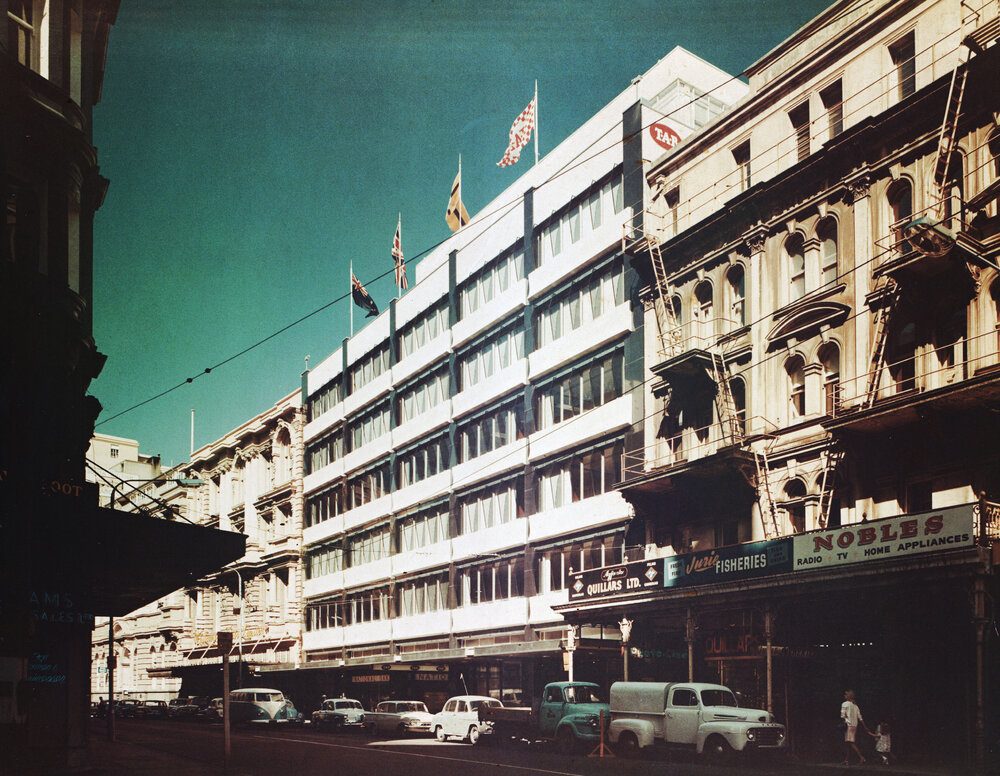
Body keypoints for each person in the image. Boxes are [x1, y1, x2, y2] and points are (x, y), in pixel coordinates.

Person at [840, 689, 870, 765]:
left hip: (848, 725)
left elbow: (842, 715)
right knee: (848, 743)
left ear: (848, 696)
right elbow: (860, 717)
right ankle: (846, 760)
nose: (844, 696)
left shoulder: (845, 704)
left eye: (846, 694)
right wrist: (865, 727)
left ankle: (861, 757)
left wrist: (845, 719)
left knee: (850, 742)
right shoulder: (855, 706)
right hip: (854, 725)